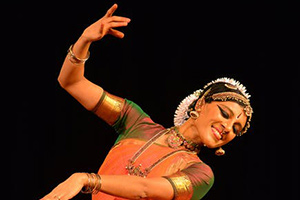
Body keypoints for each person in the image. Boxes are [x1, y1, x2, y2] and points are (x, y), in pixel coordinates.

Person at [41, 3, 253, 200]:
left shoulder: (201, 174)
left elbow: (145, 190)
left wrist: (87, 179)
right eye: (225, 113)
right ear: (200, 104)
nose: (228, 127)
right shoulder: (135, 122)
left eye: (236, 128)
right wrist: (84, 40)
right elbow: (71, 82)